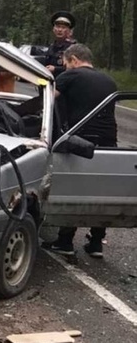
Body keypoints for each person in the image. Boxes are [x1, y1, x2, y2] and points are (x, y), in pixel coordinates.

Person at [45, 44, 117, 259]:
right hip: (108, 143)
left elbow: (48, 100)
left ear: (74, 60)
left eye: (66, 64)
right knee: (101, 192)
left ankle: (65, 241)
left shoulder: (72, 76)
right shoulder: (109, 80)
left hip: (80, 141)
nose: (65, 68)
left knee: (74, 188)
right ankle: (96, 243)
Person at [43, 11, 76, 78]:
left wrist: (55, 69)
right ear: (53, 29)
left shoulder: (73, 48)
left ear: (69, 31)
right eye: (58, 27)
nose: (60, 30)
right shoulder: (52, 47)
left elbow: (74, 69)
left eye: (63, 28)